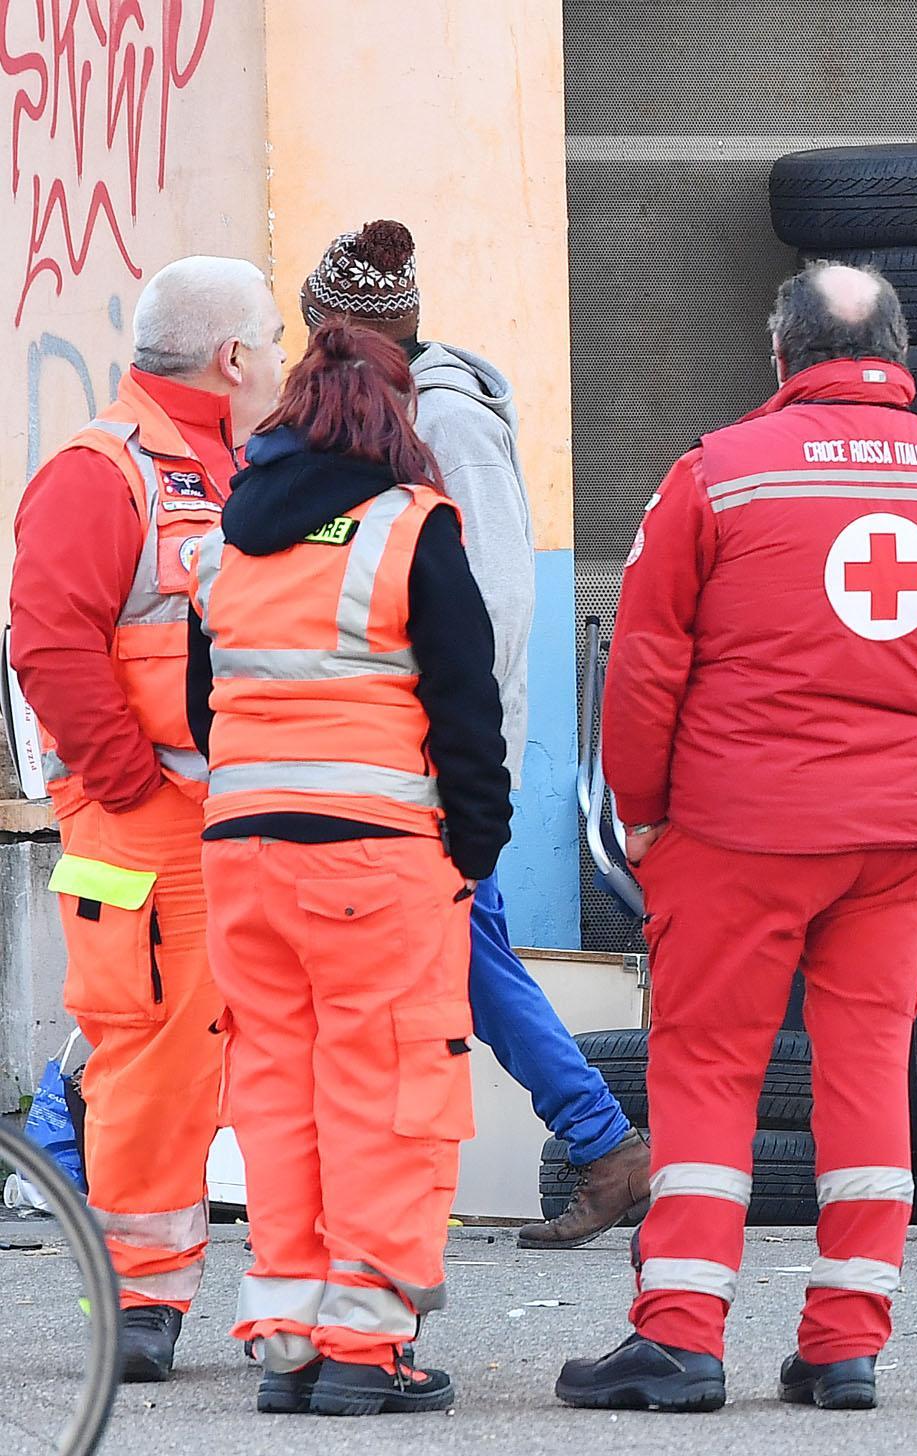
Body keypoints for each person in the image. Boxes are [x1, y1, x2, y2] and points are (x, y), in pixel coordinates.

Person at [557, 263, 917, 1415]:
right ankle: (844, 1343)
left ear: (782, 357)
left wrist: (642, 810)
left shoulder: (715, 475)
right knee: (867, 1067)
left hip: (737, 826)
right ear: (900, 353)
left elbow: (646, 663)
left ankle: (678, 1334)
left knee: (709, 1068)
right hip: (900, 837)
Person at [298, 218, 651, 1246]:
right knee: (468, 952)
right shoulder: (395, 410)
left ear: (346, 332)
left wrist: (465, 766)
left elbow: (491, 601)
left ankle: (602, 1141)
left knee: (466, 952)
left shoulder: (448, 420)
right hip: (411, 754)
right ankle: (603, 1143)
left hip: (439, 760)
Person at [188, 319, 511, 1415]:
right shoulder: (409, 527)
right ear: (394, 415)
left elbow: (206, 701)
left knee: (275, 1090)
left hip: (240, 853)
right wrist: (474, 848)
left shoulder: (229, 539)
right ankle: (368, 1350)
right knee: (385, 1093)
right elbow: (467, 711)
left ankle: (287, 1338)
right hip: (375, 861)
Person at [7, 256, 283, 1382]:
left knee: (276, 1065)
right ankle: (141, 1299)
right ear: (231, 359)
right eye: (271, 338)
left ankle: (299, 1300)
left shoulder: (258, 471)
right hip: (154, 832)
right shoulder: (99, 473)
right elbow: (48, 645)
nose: (282, 356)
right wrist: (127, 784)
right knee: (153, 1069)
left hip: (261, 824)